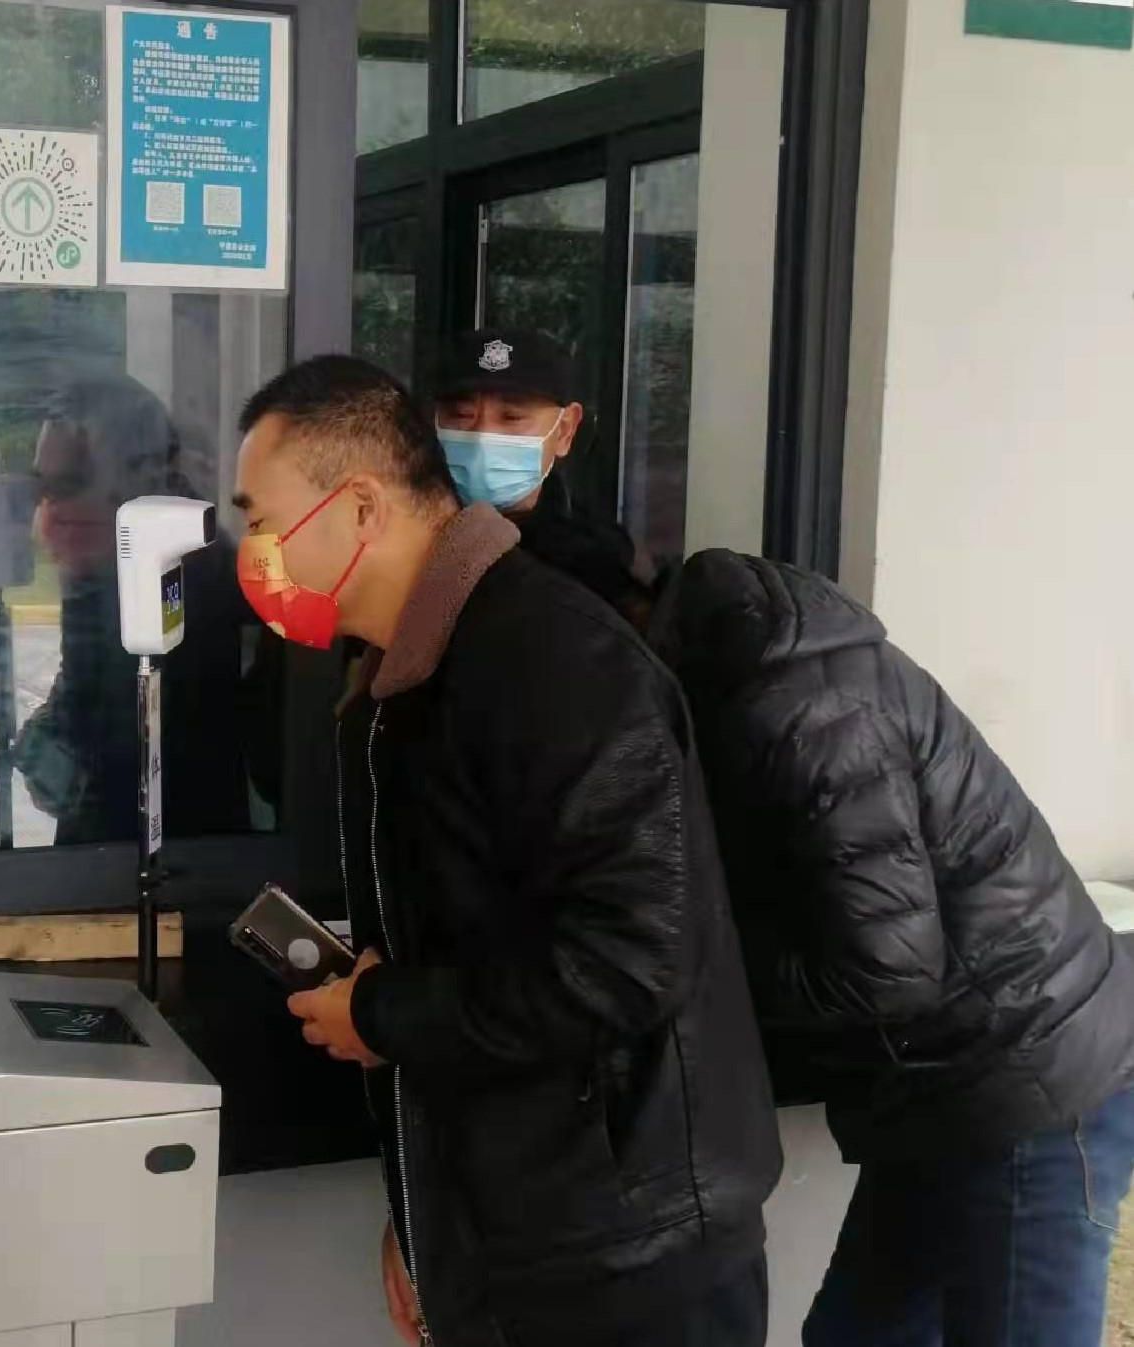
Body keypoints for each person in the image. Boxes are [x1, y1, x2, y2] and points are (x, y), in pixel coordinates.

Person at [231, 354, 781, 1346]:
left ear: (360, 510)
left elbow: (624, 963)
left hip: (622, 1263)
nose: (255, 553)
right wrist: (426, 1216)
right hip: (508, 1233)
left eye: (263, 519)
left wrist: (381, 1012)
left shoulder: (556, 664)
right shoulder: (401, 677)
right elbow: (461, 942)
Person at [646, 549, 1134, 1347]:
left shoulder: (805, 705)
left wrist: (710, 980)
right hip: (940, 1091)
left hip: (1025, 1082)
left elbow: (887, 969)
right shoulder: (747, 687)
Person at [13, 374, 263, 844]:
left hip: (166, 858)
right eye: (41, 488)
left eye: (68, 484)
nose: (50, 508)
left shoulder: (179, 579)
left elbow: (124, 755)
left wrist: (55, 742)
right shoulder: (107, 568)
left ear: (137, 479)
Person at [432, 328, 659, 631]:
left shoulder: (599, 565)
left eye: (511, 418)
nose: (482, 437)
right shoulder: (401, 536)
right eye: (461, 415)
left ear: (565, 430)